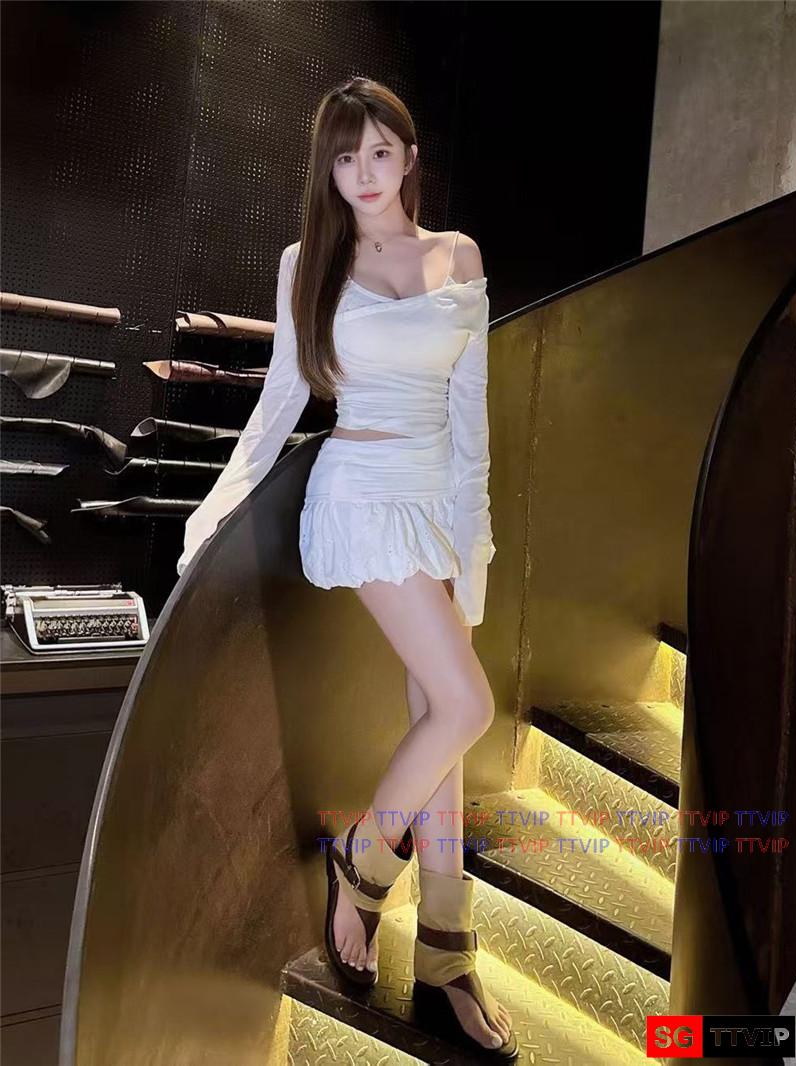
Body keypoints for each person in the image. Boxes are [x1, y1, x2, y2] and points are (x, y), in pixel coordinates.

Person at [177, 77, 515, 1060]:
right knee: (466, 706)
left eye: (378, 153)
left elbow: (470, 420)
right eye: (343, 157)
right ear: (327, 169)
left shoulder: (457, 256)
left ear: (408, 157)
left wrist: (475, 544)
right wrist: (212, 511)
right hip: (362, 491)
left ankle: (446, 949)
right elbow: (280, 402)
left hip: (437, 502)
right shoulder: (309, 260)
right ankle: (363, 862)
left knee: (438, 719)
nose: (362, 174)